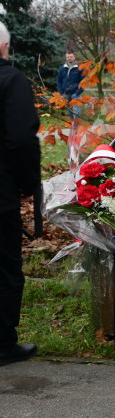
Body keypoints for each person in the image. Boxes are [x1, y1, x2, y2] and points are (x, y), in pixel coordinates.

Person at [0, 20, 40, 367]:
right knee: (5, 267)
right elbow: (21, 138)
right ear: (3, 47)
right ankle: (2, 342)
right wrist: (29, 184)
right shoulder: (11, 80)